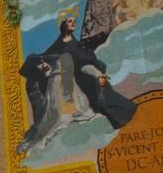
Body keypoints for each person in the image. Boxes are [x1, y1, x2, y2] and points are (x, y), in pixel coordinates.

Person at [18, 13, 137, 152]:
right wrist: (42, 67)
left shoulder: (77, 46)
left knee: (64, 115)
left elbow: (87, 64)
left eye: (74, 21)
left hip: (75, 86)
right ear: (63, 25)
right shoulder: (57, 47)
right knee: (53, 119)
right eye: (70, 21)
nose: (73, 23)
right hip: (58, 87)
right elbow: (40, 61)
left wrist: (98, 74)